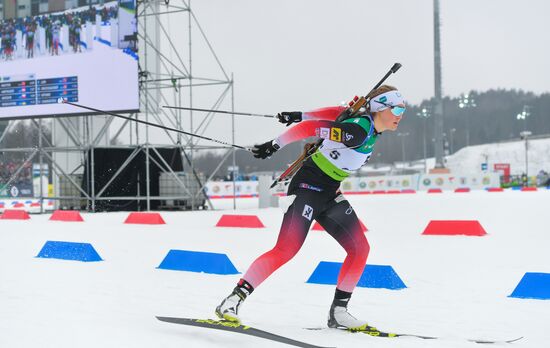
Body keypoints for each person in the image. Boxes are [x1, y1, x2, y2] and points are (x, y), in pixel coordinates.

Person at [215, 85, 406, 330]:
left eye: (403, 109)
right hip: (307, 188)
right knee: (286, 249)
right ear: (380, 108)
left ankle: (338, 313)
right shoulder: (357, 132)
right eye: (397, 108)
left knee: (360, 249)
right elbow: (309, 130)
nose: (401, 114)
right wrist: (274, 144)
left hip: (329, 194)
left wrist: (300, 113)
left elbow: (337, 112)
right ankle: (232, 300)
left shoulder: (365, 125)